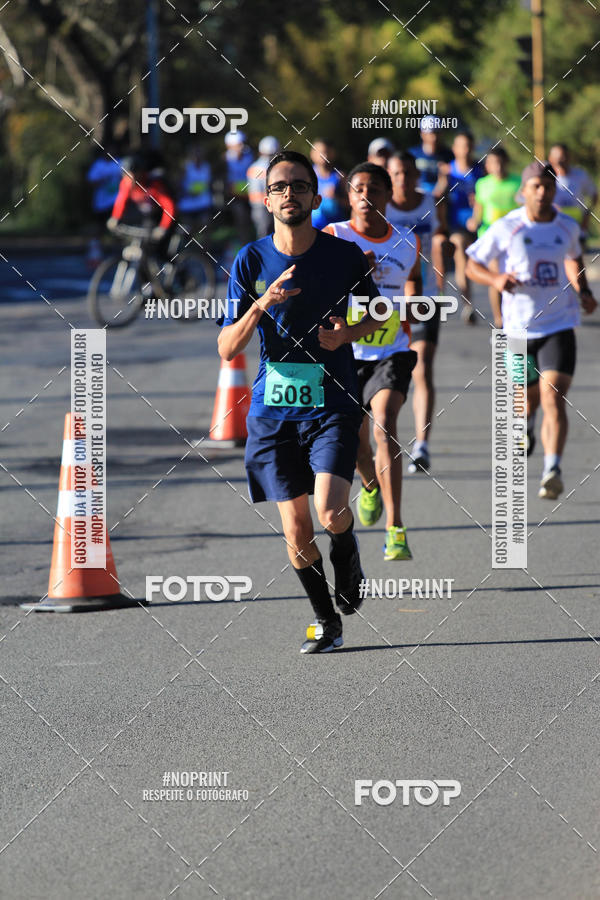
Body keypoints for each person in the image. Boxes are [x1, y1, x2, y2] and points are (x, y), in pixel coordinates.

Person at [218, 150, 381, 653]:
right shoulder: (250, 260)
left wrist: (346, 334)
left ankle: (347, 550)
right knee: (296, 528)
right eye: (279, 187)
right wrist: (262, 304)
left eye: (299, 186)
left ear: (314, 197)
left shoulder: (343, 256)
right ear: (266, 200)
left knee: (330, 511)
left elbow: (379, 314)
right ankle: (326, 621)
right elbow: (227, 347)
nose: (289, 193)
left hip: (332, 402)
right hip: (273, 411)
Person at [466, 161, 597, 499]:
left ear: (555, 190)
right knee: (527, 398)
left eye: (548, 186)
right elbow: (472, 264)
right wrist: (496, 278)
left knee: (554, 396)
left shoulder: (567, 226)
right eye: (536, 186)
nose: (542, 192)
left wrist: (583, 290)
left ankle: (552, 469)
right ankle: (526, 424)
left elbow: (573, 258)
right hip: (518, 329)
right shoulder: (506, 227)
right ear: (523, 191)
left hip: (559, 323)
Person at [324, 162, 422, 560]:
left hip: (391, 351)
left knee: (385, 426)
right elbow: (317, 287)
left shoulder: (407, 241)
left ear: (388, 196)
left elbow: (413, 283)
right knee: (358, 446)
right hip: (346, 354)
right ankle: (368, 484)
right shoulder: (334, 237)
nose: (367, 196)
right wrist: (351, 271)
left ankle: (395, 529)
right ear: (349, 196)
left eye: (375, 189)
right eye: (359, 188)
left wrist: (414, 303)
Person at [386, 151, 449, 474]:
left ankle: (421, 444)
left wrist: (442, 251)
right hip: (385, 300)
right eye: (396, 174)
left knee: (422, 368)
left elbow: (441, 237)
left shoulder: (430, 203)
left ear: (416, 175)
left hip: (424, 296)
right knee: (384, 370)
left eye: (408, 173)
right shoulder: (379, 206)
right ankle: (381, 437)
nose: (402, 179)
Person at [466, 147, 520, 327]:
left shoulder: (518, 182)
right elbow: (479, 208)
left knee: (513, 277)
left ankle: (514, 319)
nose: (498, 167)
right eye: (493, 163)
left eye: (500, 163)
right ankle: (499, 320)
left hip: (515, 238)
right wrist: (474, 221)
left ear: (506, 163)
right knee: (496, 276)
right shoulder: (482, 184)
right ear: (487, 166)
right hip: (490, 237)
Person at [439, 131, 484, 324]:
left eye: (468, 146)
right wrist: (443, 180)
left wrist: (477, 213)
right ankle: (468, 306)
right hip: (456, 224)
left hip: (479, 224)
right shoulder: (448, 171)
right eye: (461, 146)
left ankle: (501, 312)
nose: (465, 150)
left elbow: (485, 195)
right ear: (454, 149)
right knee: (461, 258)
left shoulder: (480, 170)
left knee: (482, 264)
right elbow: (438, 196)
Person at [108, 149, 176, 255]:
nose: (129, 178)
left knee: (160, 251)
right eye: (126, 174)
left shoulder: (153, 185)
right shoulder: (126, 183)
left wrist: (163, 227)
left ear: (140, 173)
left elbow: (169, 207)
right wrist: (115, 218)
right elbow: (121, 201)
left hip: (159, 218)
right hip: (143, 216)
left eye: (132, 174)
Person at [547, 143, 598, 247]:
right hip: (553, 226)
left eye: (564, 156)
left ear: (569, 157)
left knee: (578, 255)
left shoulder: (580, 175)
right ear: (550, 158)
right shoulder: (545, 177)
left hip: (577, 227)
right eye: (557, 157)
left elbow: (594, 194)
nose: (561, 160)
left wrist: (587, 214)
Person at [224, 130, 254, 245]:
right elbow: (225, 183)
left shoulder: (250, 156)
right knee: (241, 222)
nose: (241, 147)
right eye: (238, 144)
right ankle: (243, 245)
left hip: (251, 196)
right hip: (235, 198)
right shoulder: (225, 160)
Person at [409, 118, 453, 198]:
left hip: (440, 199)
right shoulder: (412, 154)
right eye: (431, 133)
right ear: (422, 134)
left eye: (437, 133)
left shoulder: (449, 155)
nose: (434, 138)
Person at [246, 136, 280, 238]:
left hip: (262, 207)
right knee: (266, 235)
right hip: (262, 208)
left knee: (265, 236)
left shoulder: (254, 167)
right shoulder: (273, 167)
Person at [309, 139, 347, 230]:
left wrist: (336, 198)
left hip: (336, 230)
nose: (324, 156)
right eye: (321, 152)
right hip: (313, 229)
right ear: (312, 154)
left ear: (333, 154)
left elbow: (351, 204)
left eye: (327, 152)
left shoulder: (340, 176)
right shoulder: (306, 175)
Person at [178, 145, 213, 231]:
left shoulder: (206, 167)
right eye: (194, 155)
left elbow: (208, 183)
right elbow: (180, 185)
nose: (197, 157)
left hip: (204, 204)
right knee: (188, 231)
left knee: (205, 228)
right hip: (187, 206)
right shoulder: (185, 168)